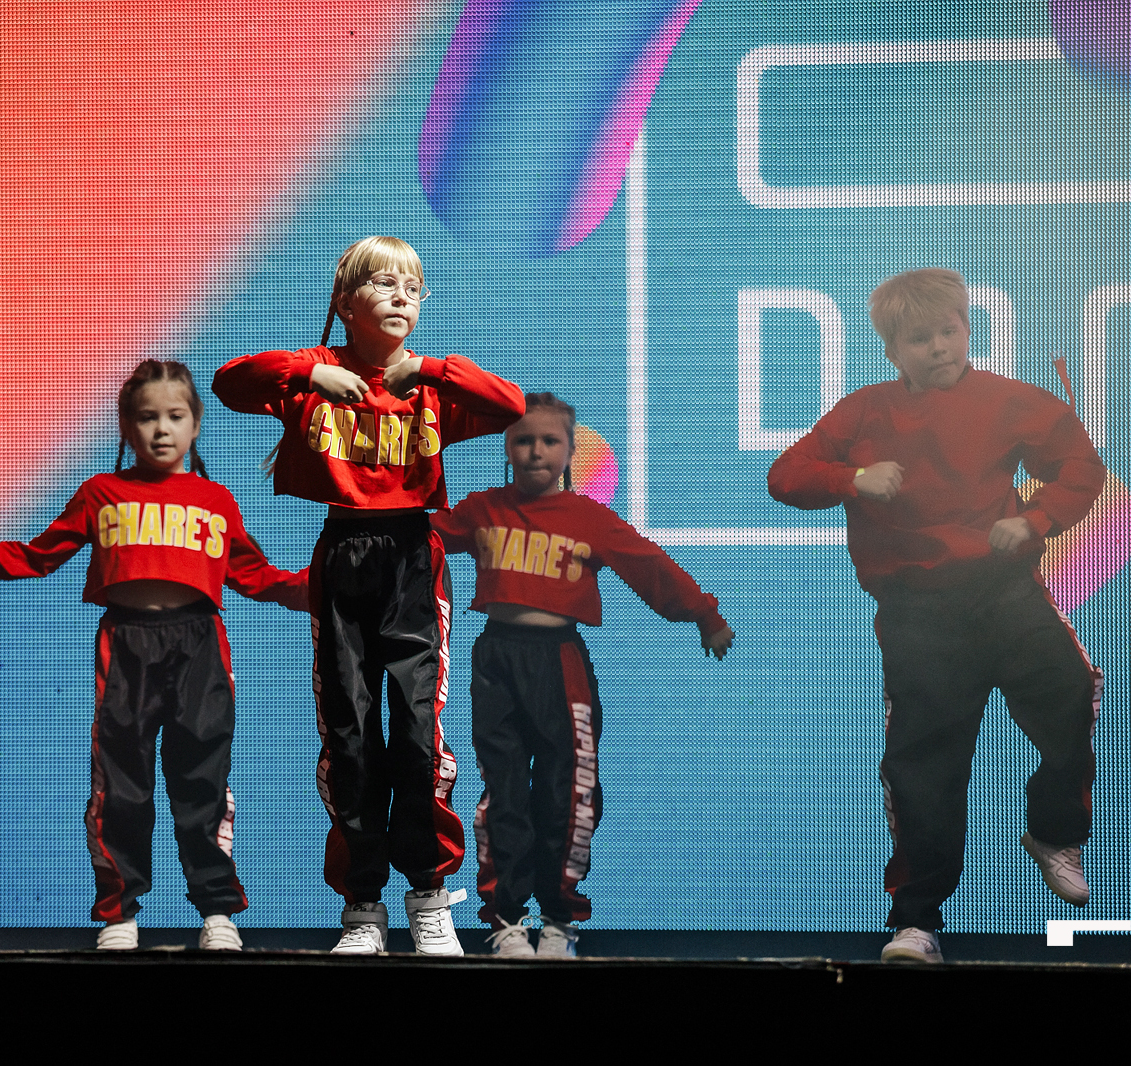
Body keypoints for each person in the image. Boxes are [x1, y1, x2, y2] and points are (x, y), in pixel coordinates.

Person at [768, 268, 1104, 964]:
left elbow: (1080, 467)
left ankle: (1053, 833)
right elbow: (786, 477)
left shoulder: (1009, 400)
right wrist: (853, 479)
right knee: (924, 764)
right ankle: (916, 922)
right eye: (920, 339)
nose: (939, 348)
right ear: (893, 351)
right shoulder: (865, 412)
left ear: (967, 330)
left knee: (1071, 689)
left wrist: (1036, 518)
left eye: (948, 332)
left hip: (1003, 592)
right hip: (918, 609)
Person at [0, 359, 306, 951]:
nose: (161, 429)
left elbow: (256, 575)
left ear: (196, 423)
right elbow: (39, 555)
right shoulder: (101, 492)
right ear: (126, 427)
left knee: (202, 781)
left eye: (175, 416)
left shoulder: (214, 499)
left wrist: (321, 587)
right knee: (121, 785)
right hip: (126, 645)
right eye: (146, 417)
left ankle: (217, 912)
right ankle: (119, 913)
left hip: (200, 646)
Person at [212, 236, 525, 955]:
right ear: (346, 303)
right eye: (383, 284)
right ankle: (362, 908)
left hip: (413, 559)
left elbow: (510, 405)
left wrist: (430, 369)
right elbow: (230, 383)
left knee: (417, 735)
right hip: (344, 555)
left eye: (412, 289)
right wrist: (311, 371)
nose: (400, 298)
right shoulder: (315, 373)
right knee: (349, 734)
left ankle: (429, 895)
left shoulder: (430, 384)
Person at [433, 394, 733, 957]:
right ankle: (505, 921)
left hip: (560, 661)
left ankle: (559, 920)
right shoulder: (482, 509)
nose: (535, 451)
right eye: (523, 440)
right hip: (496, 659)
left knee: (568, 790)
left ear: (572, 452)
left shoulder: (587, 517)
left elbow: (648, 565)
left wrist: (704, 614)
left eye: (549, 441)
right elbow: (419, 538)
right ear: (506, 448)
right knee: (503, 791)